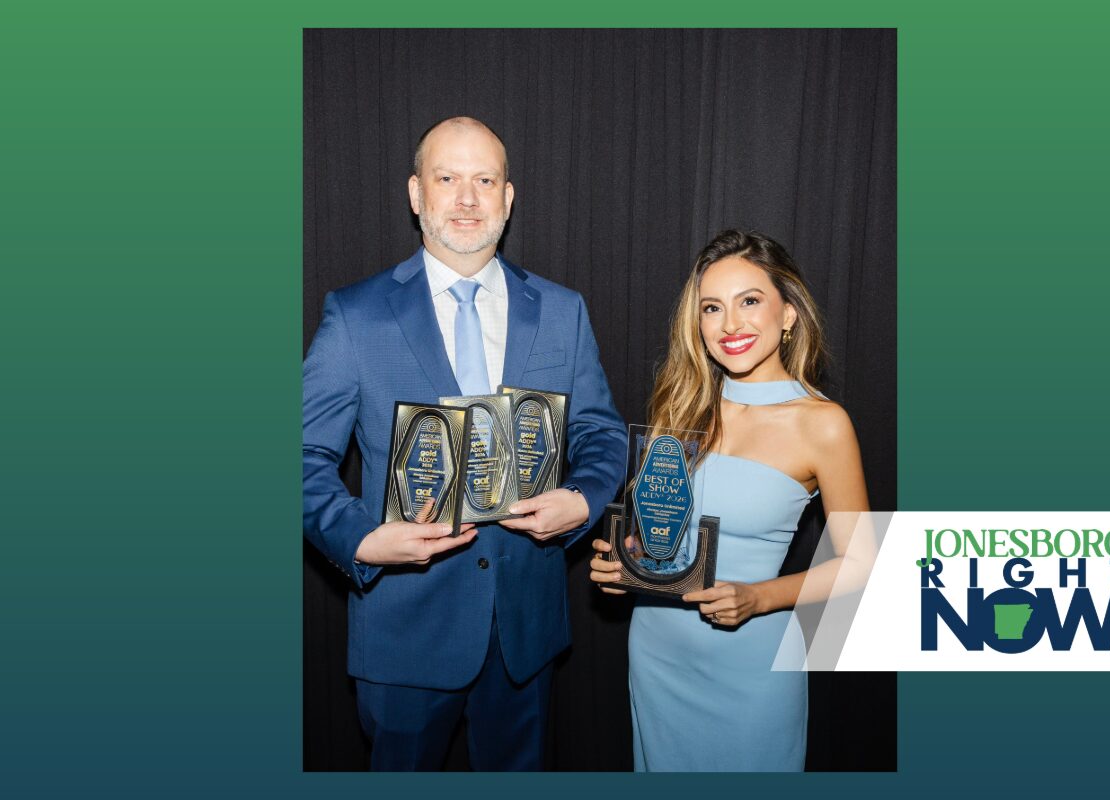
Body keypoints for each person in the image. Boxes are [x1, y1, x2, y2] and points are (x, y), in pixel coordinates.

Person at [304, 116, 625, 771]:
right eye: (448, 179)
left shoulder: (564, 310)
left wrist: (580, 500)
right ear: (417, 194)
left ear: (509, 198)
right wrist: (361, 540)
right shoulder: (355, 314)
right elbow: (300, 461)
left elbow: (601, 433)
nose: (467, 198)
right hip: (404, 629)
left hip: (524, 635)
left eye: (485, 180)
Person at [589, 229, 872, 771]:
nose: (730, 325)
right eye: (711, 308)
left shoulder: (823, 424)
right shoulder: (678, 405)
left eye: (750, 301)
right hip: (657, 655)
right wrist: (630, 560)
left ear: (788, 313)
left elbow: (863, 563)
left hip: (752, 665)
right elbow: (663, 537)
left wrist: (761, 597)